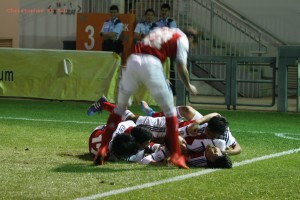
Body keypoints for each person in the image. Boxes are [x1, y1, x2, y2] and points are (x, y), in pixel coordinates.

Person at [91, 27, 198, 168]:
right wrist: (189, 85)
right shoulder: (182, 38)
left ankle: (103, 148)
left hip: (133, 61)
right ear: (191, 38)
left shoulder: (165, 29)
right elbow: (180, 65)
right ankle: (177, 156)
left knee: (120, 109)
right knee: (170, 112)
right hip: (151, 63)